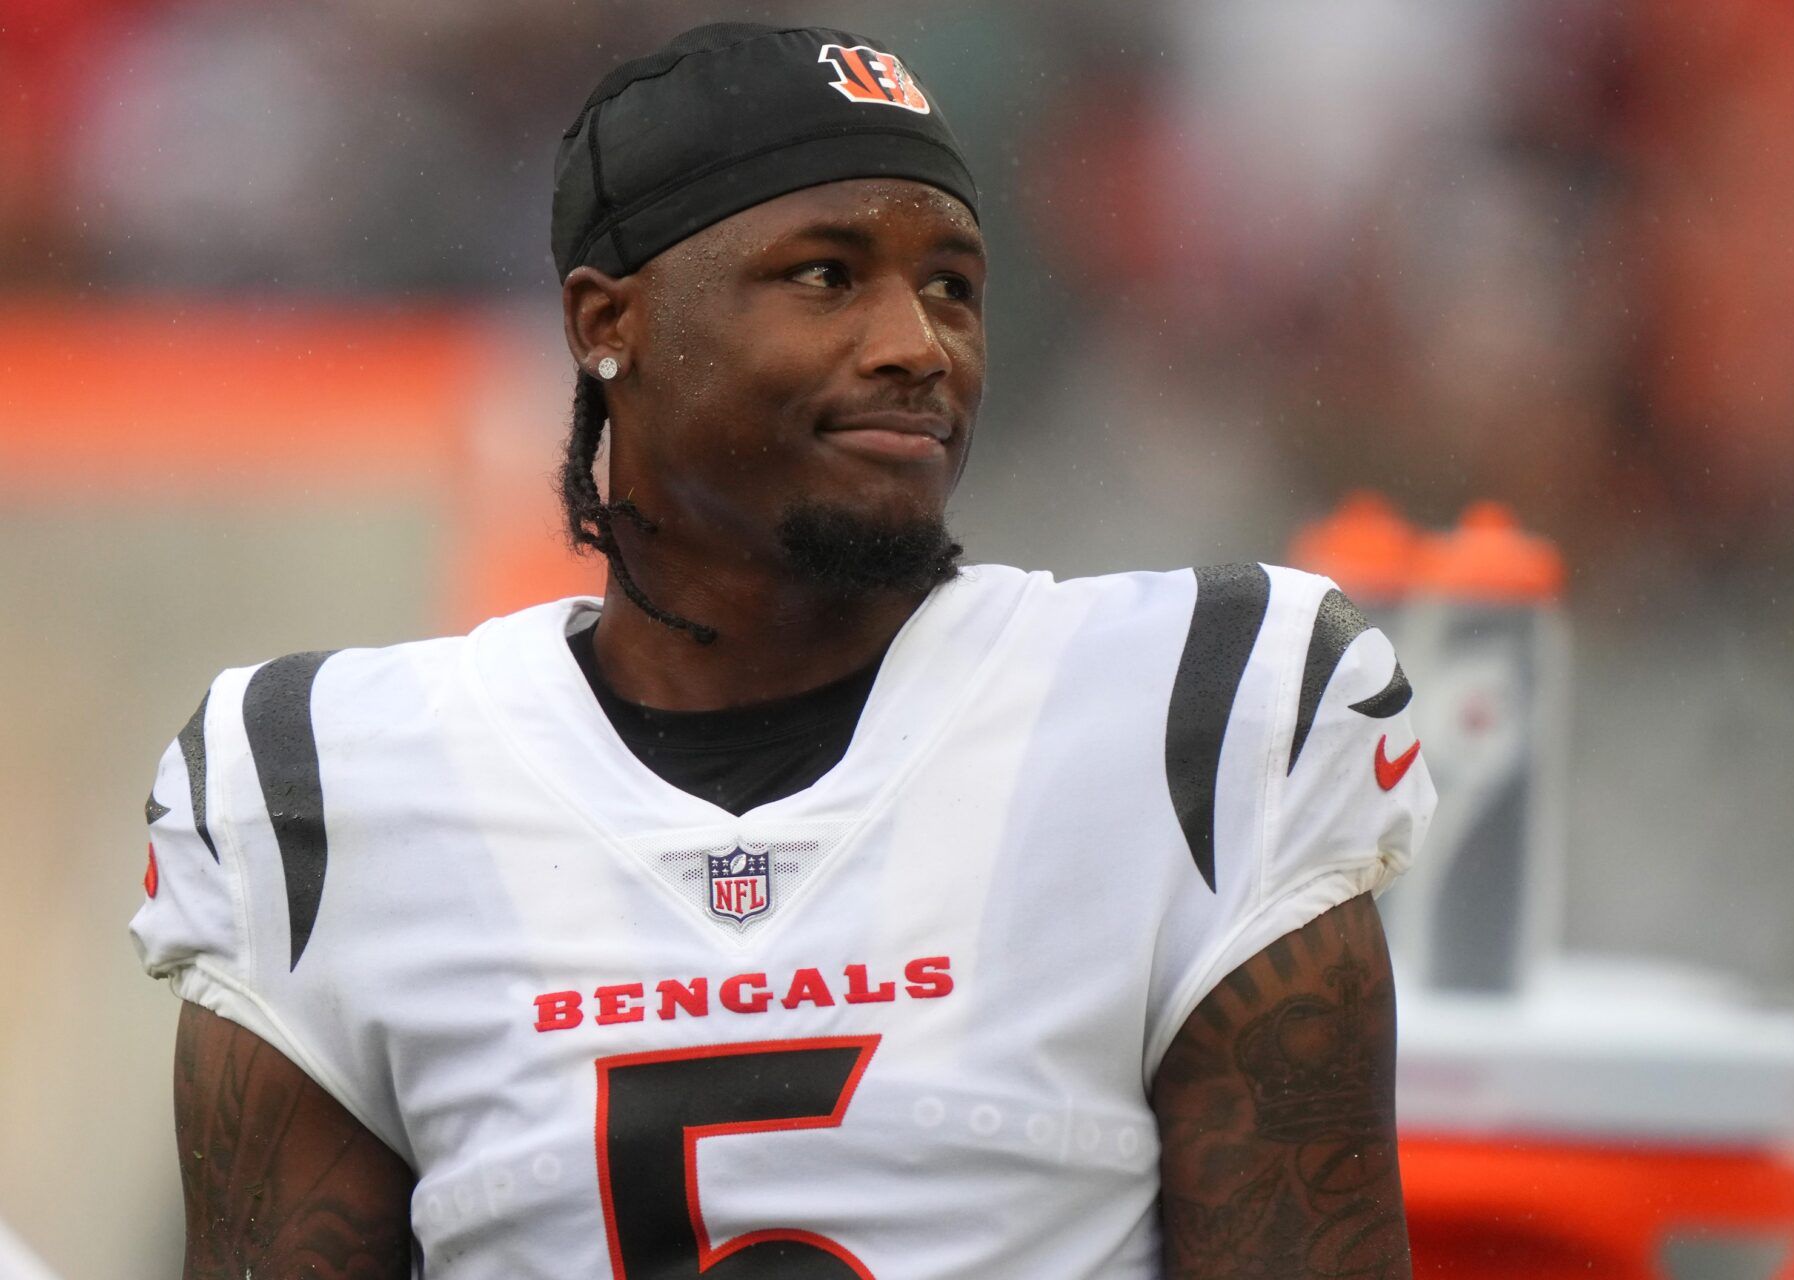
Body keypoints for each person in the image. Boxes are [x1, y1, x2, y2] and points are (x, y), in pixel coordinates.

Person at [132, 22, 1434, 1279]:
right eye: (827, 275)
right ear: (607, 323)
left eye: (953, 288)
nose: (917, 347)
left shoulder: (1197, 716)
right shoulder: (328, 790)